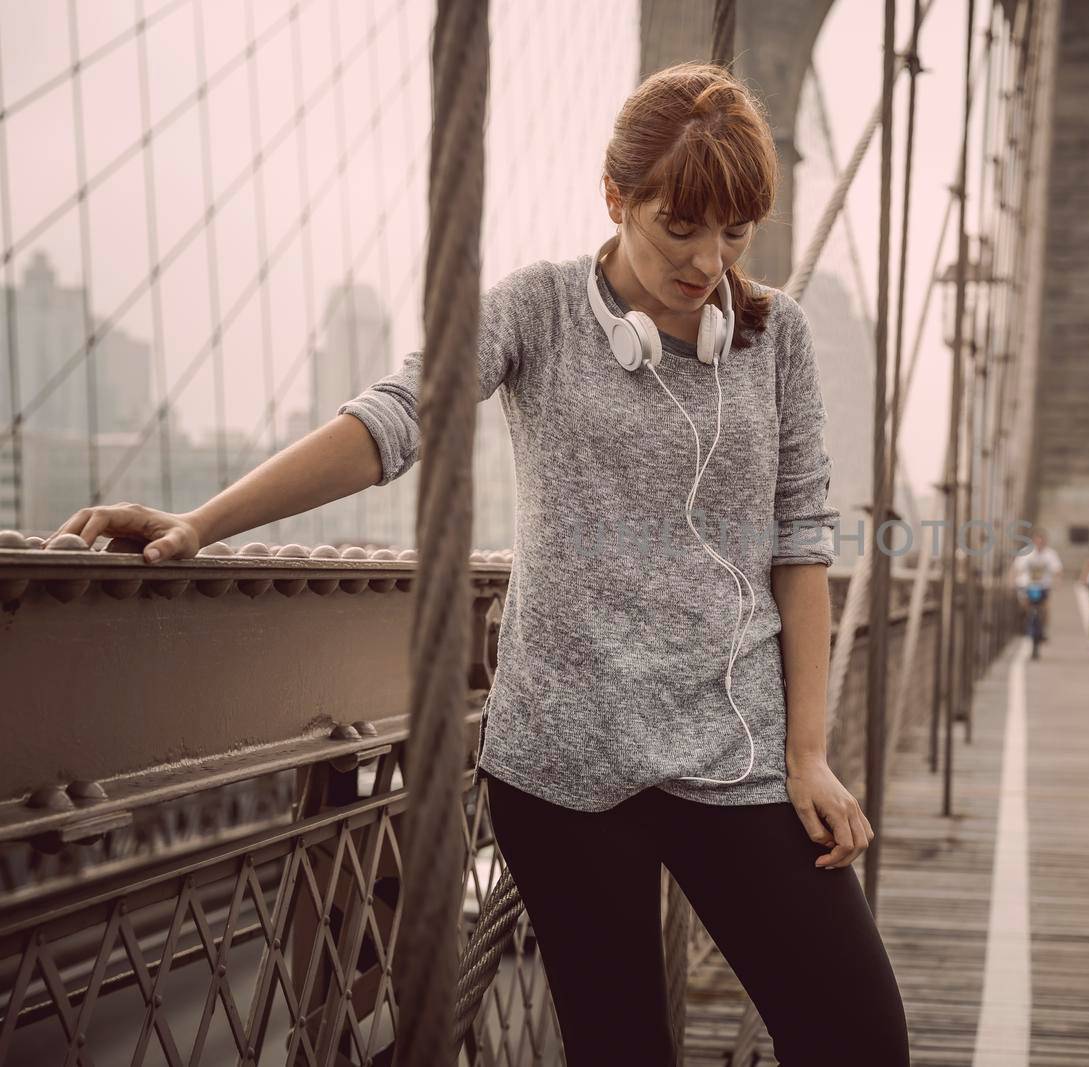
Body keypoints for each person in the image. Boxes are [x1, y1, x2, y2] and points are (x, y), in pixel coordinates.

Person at [51, 64, 910, 1065]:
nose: (707, 261)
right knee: (618, 1046)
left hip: (736, 748)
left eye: (733, 233)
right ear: (617, 199)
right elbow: (392, 420)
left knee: (860, 1034)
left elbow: (799, 544)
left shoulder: (776, 339)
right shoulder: (538, 312)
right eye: (681, 226)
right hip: (561, 764)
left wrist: (804, 752)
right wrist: (204, 522)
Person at [1011, 529, 1064, 642]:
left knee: (1045, 606)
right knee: (1024, 603)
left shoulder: (1051, 554)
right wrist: (1013, 580)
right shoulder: (1025, 552)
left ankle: (1043, 628)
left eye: (1042, 541)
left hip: (1043, 585)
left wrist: (1057, 581)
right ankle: (1024, 621)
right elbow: (1016, 568)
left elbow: (1057, 570)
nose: (1039, 544)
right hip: (1027, 585)